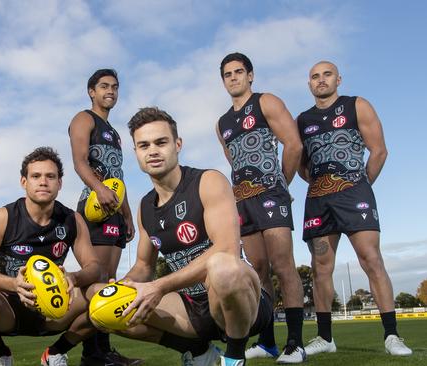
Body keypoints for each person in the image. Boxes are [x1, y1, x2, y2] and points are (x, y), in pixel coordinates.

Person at [90, 106, 272, 366]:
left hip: (239, 303)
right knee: (100, 299)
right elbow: (143, 267)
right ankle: (199, 352)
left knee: (222, 267)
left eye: (160, 142)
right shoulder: (145, 207)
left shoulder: (207, 181)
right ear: (136, 153)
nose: (152, 151)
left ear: (177, 144)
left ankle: (234, 357)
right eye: (144, 145)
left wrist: (160, 286)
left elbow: (227, 249)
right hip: (190, 308)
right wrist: (122, 286)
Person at [297, 61, 412, 356]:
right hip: (319, 199)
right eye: (315, 77)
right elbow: (300, 164)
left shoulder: (356, 105)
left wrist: (360, 184)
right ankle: (325, 338)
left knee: (371, 259)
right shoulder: (302, 120)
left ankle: (392, 336)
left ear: (338, 79)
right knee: (320, 267)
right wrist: (325, 185)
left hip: (355, 194)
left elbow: (379, 150)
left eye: (327, 75)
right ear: (309, 84)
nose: (321, 80)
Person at [0, 147, 101, 366]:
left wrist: (74, 278)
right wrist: (14, 284)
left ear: (60, 183)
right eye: (36, 176)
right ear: (24, 182)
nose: (43, 182)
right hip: (9, 307)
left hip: (56, 308)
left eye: (50, 176)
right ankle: (2, 355)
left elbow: (95, 266)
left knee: (104, 293)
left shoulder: (72, 219)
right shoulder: (4, 217)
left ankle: (56, 352)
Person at [215, 52, 306, 363]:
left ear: (250, 75)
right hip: (244, 200)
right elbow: (234, 161)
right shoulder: (222, 123)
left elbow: (293, 144)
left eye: (239, 72)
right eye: (227, 74)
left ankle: (296, 343)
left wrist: (282, 184)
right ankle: (268, 342)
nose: (234, 78)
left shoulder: (267, 102)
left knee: (283, 265)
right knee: (258, 271)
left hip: (272, 193)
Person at [68, 69, 142, 366]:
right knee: (95, 280)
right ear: (91, 91)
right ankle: (91, 354)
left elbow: (118, 178)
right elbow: (79, 162)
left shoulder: (114, 132)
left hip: (114, 212)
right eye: (104, 86)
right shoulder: (84, 118)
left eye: (114, 87)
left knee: (108, 282)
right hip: (93, 209)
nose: (110, 91)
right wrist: (98, 190)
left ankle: (104, 350)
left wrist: (127, 215)